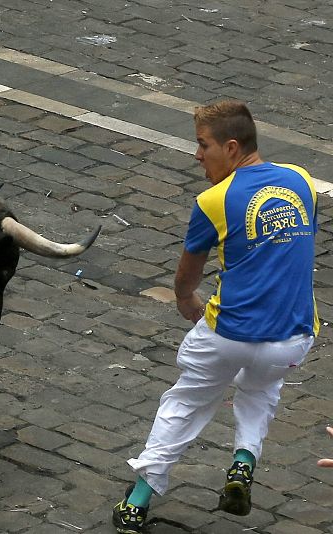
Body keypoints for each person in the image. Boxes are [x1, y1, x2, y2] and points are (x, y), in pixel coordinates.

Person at [112, 100, 318, 533]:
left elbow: (189, 273)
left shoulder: (214, 200)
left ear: (230, 147)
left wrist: (185, 299)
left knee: (186, 402)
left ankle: (137, 501)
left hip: (227, 333)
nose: (197, 155)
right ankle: (243, 462)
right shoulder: (301, 180)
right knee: (261, 391)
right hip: (292, 337)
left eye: (202, 145)